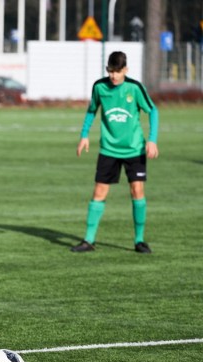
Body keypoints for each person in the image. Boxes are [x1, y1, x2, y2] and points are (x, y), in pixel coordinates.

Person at [71, 51, 159, 254]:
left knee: (137, 191)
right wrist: (84, 135)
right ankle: (89, 240)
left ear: (125, 70)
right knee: (99, 192)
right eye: (110, 71)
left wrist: (152, 140)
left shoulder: (134, 88)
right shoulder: (99, 87)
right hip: (108, 149)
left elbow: (153, 110)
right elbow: (92, 110)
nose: (113, 76)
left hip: (134, 149)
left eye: (117, 72)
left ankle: (139, 240)